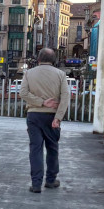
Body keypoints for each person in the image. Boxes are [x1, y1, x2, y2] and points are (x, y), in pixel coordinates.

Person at [20, 47, 69, 193]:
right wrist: (58, 117)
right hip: (52, 116)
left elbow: (23, 93)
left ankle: (36, 184)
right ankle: (51, 180)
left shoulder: (29, 73)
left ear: (38, 59)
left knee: (35, 149)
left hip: (34, 115)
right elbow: (65, 97)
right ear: (54, 60)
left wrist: (41, 102)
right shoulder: (61, 74)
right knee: (52, 148)